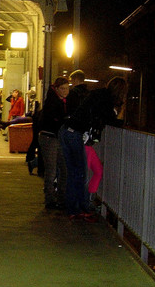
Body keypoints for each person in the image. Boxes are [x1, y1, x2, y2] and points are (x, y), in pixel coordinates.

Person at [59, 76, 127, 222]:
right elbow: (111, 119)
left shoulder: (98, 94)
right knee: (80, 173)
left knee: (73, 173)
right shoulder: (106, 100)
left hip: (66, 131)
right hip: (75, 134)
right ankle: (80, 208)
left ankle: (73, 208)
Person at [37, 76, 70, 208]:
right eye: (62, 88)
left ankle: (56, 198)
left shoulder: (55, 100)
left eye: (67, 88)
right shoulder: (55, 102)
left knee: (59, 168)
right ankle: (52, 199)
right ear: (57, 89)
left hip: (53, 136)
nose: (65, 91)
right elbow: (54, 119)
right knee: (54, 169)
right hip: (50, 137)